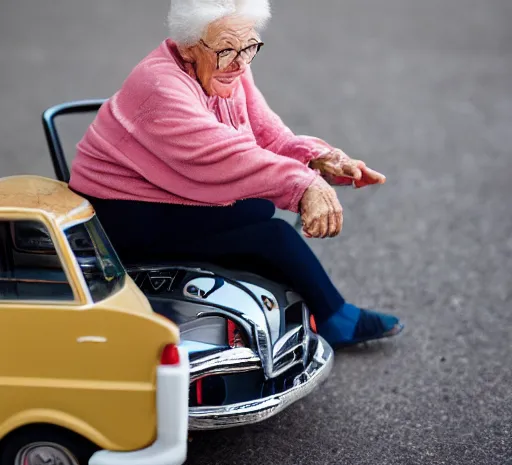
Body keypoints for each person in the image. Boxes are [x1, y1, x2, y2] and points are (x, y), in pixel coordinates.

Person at [69, 0, 404, 347]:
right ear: (187, 46)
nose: (240, 63)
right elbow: (227, 158)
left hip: (164, 190)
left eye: (249, 47)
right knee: (270, 233)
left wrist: (321, 157)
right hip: (123, 214)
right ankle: (336, 320)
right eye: (227, 50)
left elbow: (268, 134)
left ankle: (301, 310)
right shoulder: (159, 86)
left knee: (258, 209)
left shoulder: (228, 68)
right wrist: (303, 184)